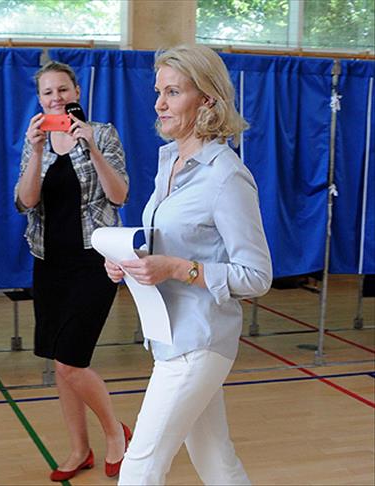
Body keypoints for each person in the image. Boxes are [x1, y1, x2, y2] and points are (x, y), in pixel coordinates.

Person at [105, 45, 272, 485]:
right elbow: (173, 243)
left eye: (173, 92)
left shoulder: (226, 176)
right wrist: (131, 261)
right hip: (170, 336)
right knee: (217, 463)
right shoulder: (171, 164)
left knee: (139, 466)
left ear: (207, 100)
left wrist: (179, 269)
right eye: (158, 92)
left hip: (199, 342)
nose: (158, 104)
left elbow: (257, 276)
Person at [15, 61, 131, 481]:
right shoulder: (36, 139)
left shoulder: (103, 133)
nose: (56, 98)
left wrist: (92, 148)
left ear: (77, 92)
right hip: (49, 263)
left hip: (96, 261)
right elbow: (26, 201)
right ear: (39, 98)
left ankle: (116, 433)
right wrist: (36, 151)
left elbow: (119, 195)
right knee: (61, 362)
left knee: (70, 362)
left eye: (63, 90)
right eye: (48, 92)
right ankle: (80, 449)